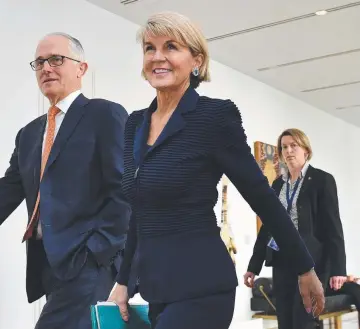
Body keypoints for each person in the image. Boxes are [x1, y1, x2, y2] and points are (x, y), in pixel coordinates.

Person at [107, 11, 325, 329]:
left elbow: (262, 197)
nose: (158, 57)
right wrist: (124, 280)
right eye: (149, 48)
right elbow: (139, 213)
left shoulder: (214, 118)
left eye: (171, 47)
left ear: (196, 60)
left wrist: (304, 268)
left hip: (202, 286)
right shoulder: (135, 125)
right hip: (157, 289)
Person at [0, 32, 131, 329]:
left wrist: (98, 250)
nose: (46, 68)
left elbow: (124, 189)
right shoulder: (29, 134)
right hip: (47, 264)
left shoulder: (104, 114)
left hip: (87, 263)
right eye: (39, 63)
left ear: (81, 68)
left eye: (56, 60)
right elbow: (4, 194)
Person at [244, 128, 346, 329]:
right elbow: (267, 227)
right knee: (286, 320)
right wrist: (253, 266)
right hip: (282, 261)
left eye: (294, 146)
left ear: (306, 150)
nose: (288, 151)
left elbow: (333, 226)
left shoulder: (321, 180)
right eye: (284, 147)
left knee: (304, 320)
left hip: (312, 263)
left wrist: (338, 269)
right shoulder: (277, 185)